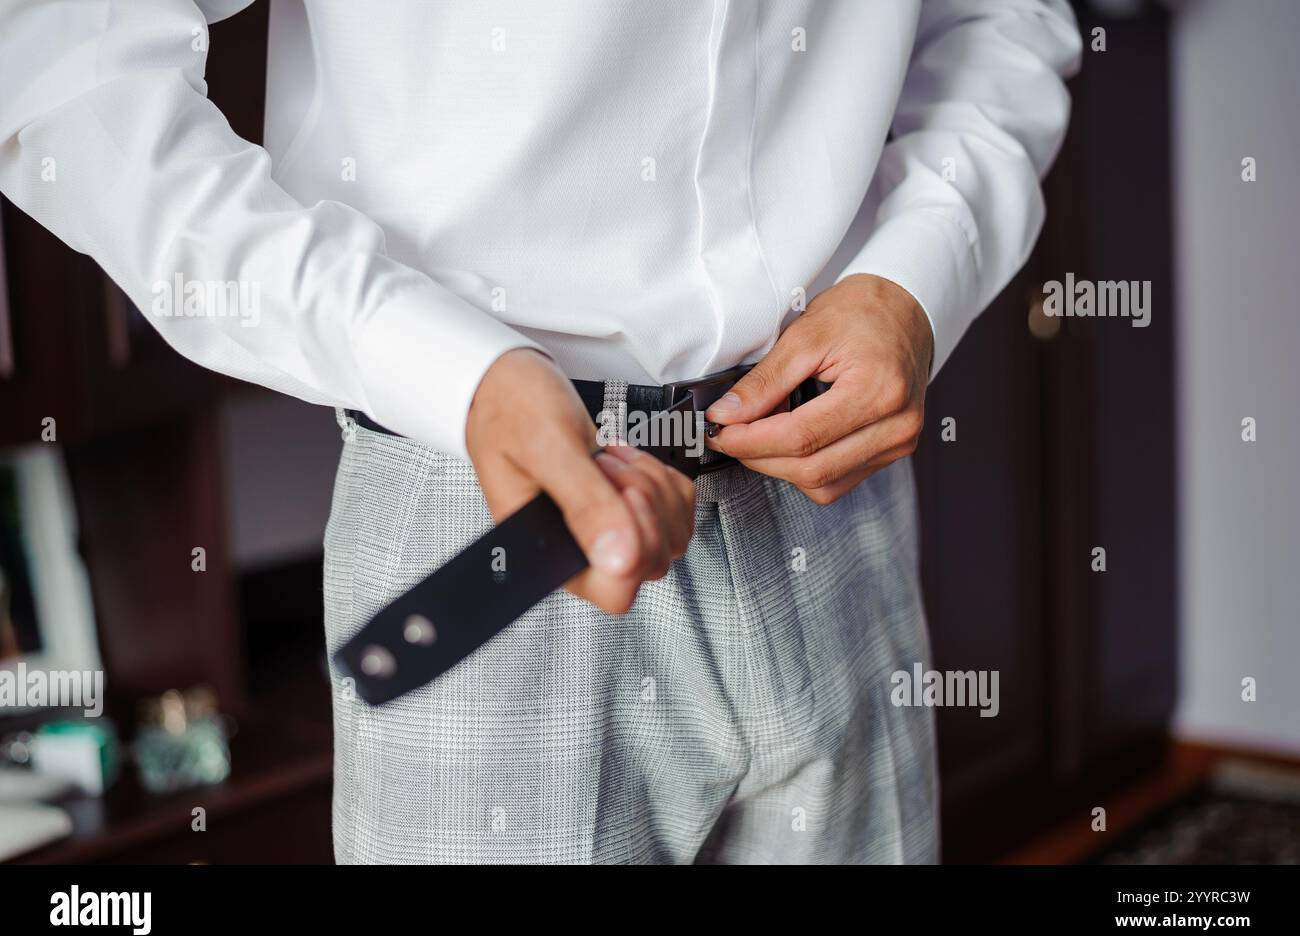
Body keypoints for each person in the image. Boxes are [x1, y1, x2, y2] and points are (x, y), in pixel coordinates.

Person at [0, 0, 1081, 863]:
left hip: (833, 489)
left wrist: (916, 272)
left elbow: (1006, 15)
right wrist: (444, 366)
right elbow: (68, 65)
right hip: (484, 516)